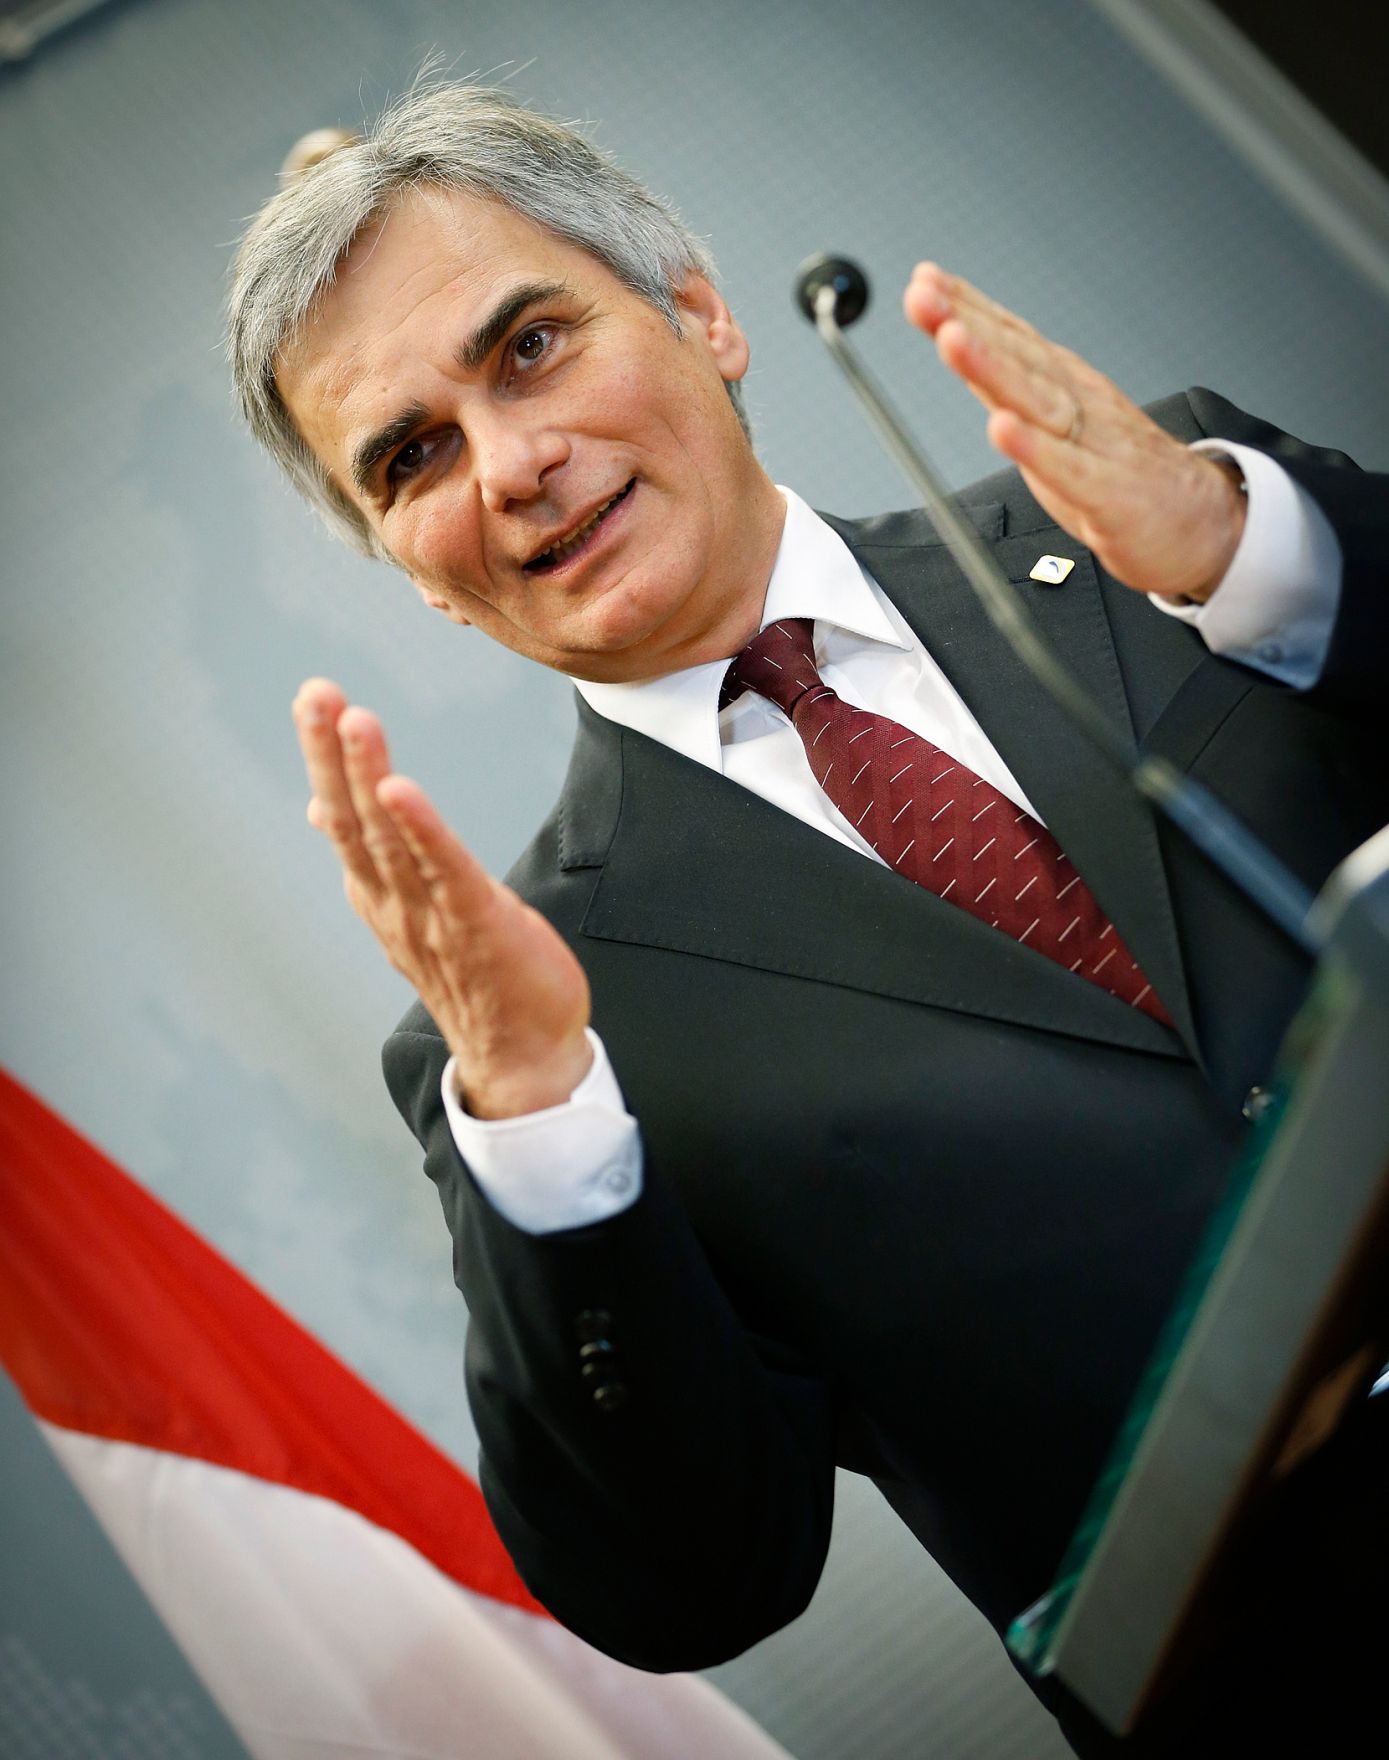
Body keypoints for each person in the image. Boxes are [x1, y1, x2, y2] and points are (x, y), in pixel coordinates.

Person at [228, 84, 1386, 1754]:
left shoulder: (1149, 522)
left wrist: (1249, 556)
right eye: (411, 457)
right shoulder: (538, 1033)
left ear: (699, 310)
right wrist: (547, 1124)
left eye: (530, 347)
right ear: (409, 565)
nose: (511, 465)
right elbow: (687, 1583)